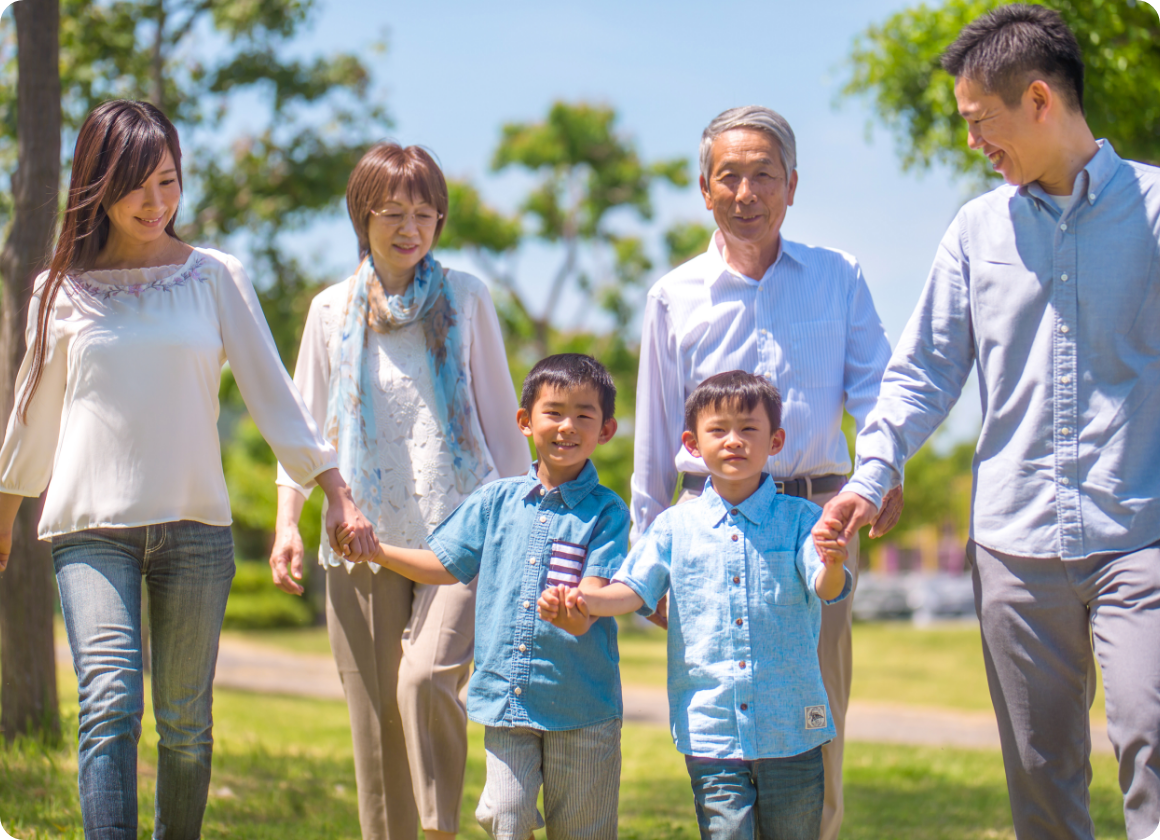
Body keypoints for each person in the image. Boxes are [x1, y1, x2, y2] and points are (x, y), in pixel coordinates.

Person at [819, 6, 1160, 839]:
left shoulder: (1155, 210)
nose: (974, 143)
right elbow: (926, 370)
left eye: (981, 122)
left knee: (1152, 735)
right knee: (1042, 783)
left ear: (1039, 99)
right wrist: (876, 470)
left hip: (1143, 530)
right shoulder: (977, 230)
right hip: (1015, 542)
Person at [0, 100, 374, 840]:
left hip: (196, 528)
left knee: (184, 725)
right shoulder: (59, 288)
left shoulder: (215, 277)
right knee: (109, 703)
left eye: (168, 181)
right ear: (97, 185)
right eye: (138, 184)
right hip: (90, 529)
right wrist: (5, 515)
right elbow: (31, 416)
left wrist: (334, 491)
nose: (156, 202)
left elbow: (275, 394)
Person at [630, 104, 900, 839]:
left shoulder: (838, 277)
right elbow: (655, 438)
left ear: (792, 186)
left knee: (818, 720)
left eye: (763, 176)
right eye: (729, 177)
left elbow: (879, 391)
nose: (746, 192)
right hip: (705, 537)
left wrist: (882, 467)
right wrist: (646, 556)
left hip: (815, 528)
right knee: (719, 714)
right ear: (704, 188)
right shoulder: (673, 296)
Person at [270, 142, 530, 840]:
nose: (410, 227)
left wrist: (527, 527)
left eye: (424, 212)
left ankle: (439, 828)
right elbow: (304, 423)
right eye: (393, 212)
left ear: (440, 220)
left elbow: (503, 422)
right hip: (362, 533)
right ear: (364, 216)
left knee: (423, 680)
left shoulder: (469, 298)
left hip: (463, 530)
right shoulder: (330, 310)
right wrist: (288, 521)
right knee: (376, 715)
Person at [541, 370, 851, 840]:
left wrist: (830, 561)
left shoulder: (804, 520)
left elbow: (827, 589)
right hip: (712, 729)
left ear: (776, 440)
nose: (734, 441)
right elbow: (632, 590)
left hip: (793, 729)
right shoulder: (672, 527)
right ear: (691, 442)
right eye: (718, 430)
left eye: (749, 429)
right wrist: (583, 598)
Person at [338, 353, 629, 840]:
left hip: (583, 709)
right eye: (553, 412)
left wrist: (575, 613)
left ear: (606, 430)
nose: (567, 426)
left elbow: (595, 594)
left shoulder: (607, 512)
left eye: (584, 415)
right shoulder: (495, 500)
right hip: (507, 703)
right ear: (524, 421)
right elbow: (443, 565)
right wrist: (377, 552)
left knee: (583, 831)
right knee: (507, 819)